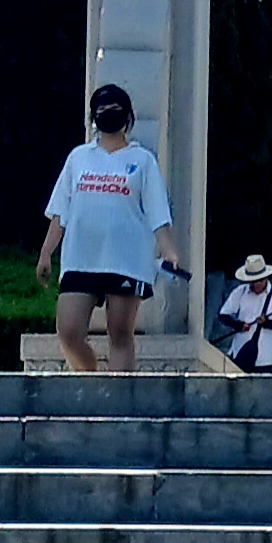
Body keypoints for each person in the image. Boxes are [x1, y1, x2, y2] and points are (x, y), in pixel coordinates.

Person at [38, 83, 187, 373]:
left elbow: (157, 214)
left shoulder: (142, 160)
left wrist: (169, 252)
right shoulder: (79, 157)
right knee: (68, 332)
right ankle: (91, 378)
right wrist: (46, 253)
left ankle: (119, 394)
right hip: (81, 258)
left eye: (114, 108)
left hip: (126, 260)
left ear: (128, 116)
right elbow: (60, 212)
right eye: (102, 109)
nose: (108, 113)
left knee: (120, 333)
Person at [218, 249, 272, 373]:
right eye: (253, 281)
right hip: (240, 353)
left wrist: (266, 322)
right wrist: (238, 325)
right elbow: (223, 315)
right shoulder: (240, 291)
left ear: (266, 277)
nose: (256, 284)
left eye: (259, 280)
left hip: (265, 358)